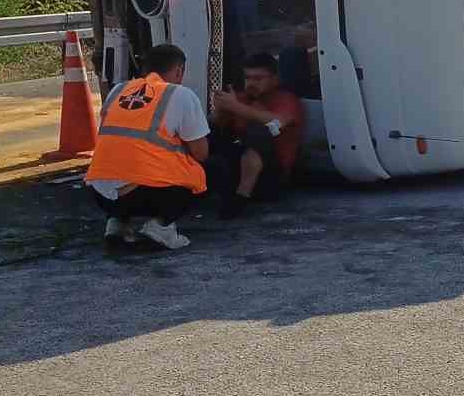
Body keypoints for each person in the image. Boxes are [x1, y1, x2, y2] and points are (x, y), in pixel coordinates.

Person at [85, 43, 210, 250]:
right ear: (179, 71)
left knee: (125, 167)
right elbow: (201, 153)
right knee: (201, 173)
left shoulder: (118, 91)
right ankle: (160, 228)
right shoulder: (181, 95)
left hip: (100, 195)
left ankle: (117, 223)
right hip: (147, 196)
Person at [207, 51, 304, 219]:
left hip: (270, 178)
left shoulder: (286, 100)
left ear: (274, 79)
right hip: (234, 170)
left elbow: (276, 121)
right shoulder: (241, 99)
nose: (251, 83)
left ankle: (240, 198)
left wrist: (236, 107)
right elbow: (210, 128)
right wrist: (220, 111)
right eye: (248, 78)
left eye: (258, 79)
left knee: (261, 129)